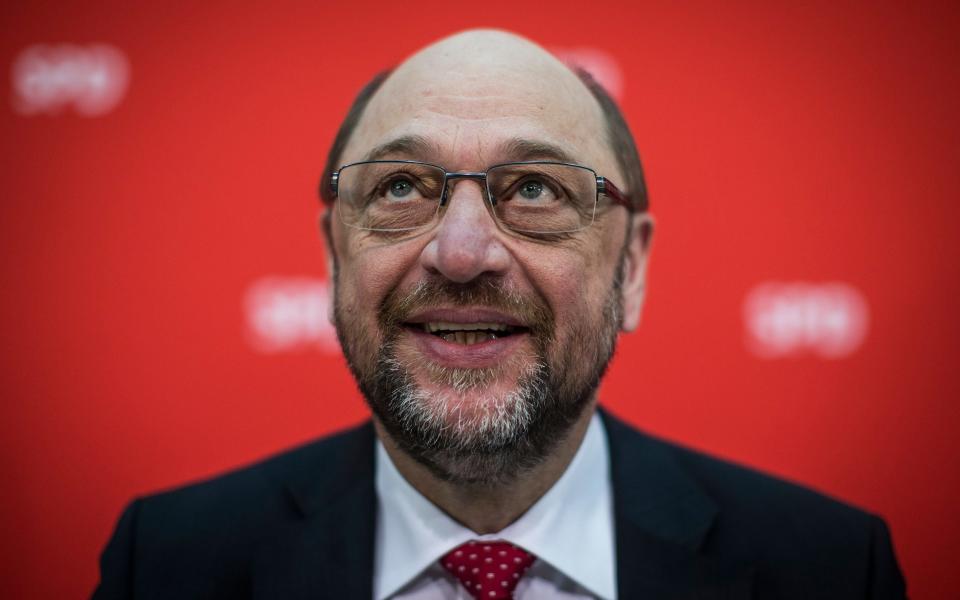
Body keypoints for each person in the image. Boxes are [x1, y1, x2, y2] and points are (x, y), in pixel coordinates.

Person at [93, 29, 906, 599]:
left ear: (631, 266)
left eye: (535, 190)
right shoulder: (166, 563)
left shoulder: (832, 568)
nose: (462, 251)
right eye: (401, 187)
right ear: (335, 256)